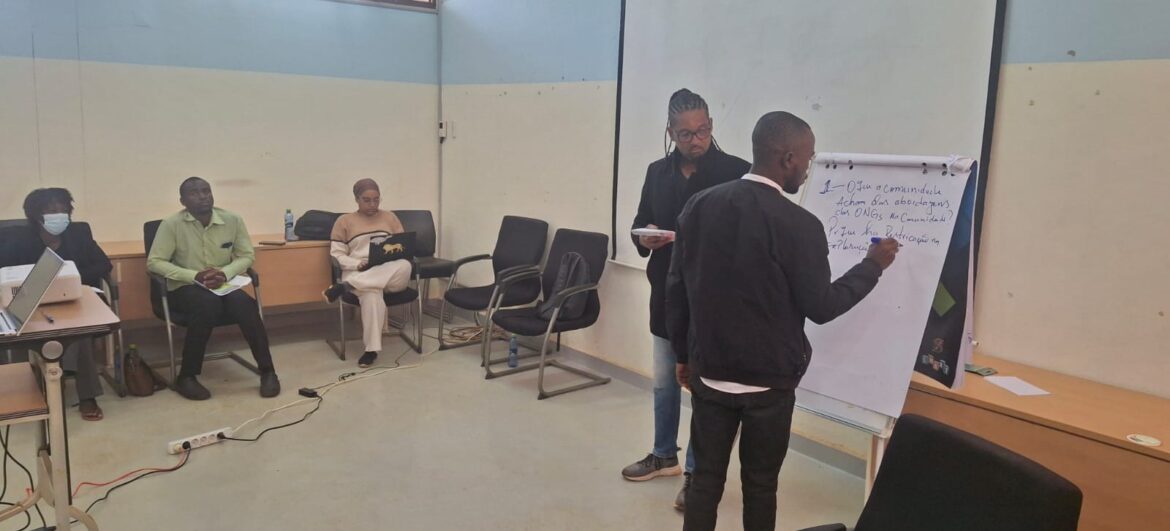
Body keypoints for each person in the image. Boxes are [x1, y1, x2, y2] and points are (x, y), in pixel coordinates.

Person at [666, 111, 900, 530]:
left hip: (710, 376)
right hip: (768, 388)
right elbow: (822, 306)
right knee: (760, 486)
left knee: (704, 482)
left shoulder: (699, 206)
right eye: (807, 159)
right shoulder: (800, 225)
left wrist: (683, 355)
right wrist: (872, 266)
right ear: (788, 158)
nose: (808, 169)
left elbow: (677, 290)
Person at [622, 89, 751, 510]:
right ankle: (664, 455)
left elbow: (747, 238)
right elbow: (640, 222)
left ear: (711, 126)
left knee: (704, 391)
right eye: (685, 134)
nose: (695, 140)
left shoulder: (737, 172)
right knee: (664, 383)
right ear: (670, 133)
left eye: (702, 131)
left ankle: (697, 474)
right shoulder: (657, 173)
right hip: (666, 295)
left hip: (713, 301)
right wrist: (646, 236)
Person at [147, 177, 280, 400]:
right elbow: (155, 262)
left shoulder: (232, 220)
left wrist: (224, 273)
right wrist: (194, 276)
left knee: (245, 305)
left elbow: (246, 256)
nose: (202, 196)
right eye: (194, 193)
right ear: (182, 201)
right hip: (185, 287)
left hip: (222, 284)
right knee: (206, 304)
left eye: (206, 191)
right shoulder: (172, 224)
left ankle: (268, 372)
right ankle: (187, 376)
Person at [0, 188, 110, 420]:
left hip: (76, 297)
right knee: (64, 331)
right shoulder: (18, 239)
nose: (59, 214)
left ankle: (79, 391)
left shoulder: (78, 234)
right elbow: (6, 272)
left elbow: (103, 264)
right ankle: (60, 385)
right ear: (36, 215)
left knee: (79, 331)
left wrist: (70, 277)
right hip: (31, 300)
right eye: (51, 210)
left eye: (63, 209)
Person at [322, 179, 412, 368]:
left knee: (404, 264)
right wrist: (356, 263)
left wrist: (394, 257)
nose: (372, 204)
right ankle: (371, 350)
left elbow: (403, 247)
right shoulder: (344, 221)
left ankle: (345, 287)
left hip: (390, 274)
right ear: (356, 199)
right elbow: (336, 255)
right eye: (367, 200)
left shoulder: (390, 217)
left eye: (376, 199)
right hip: (359, 271)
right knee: (371, 295)